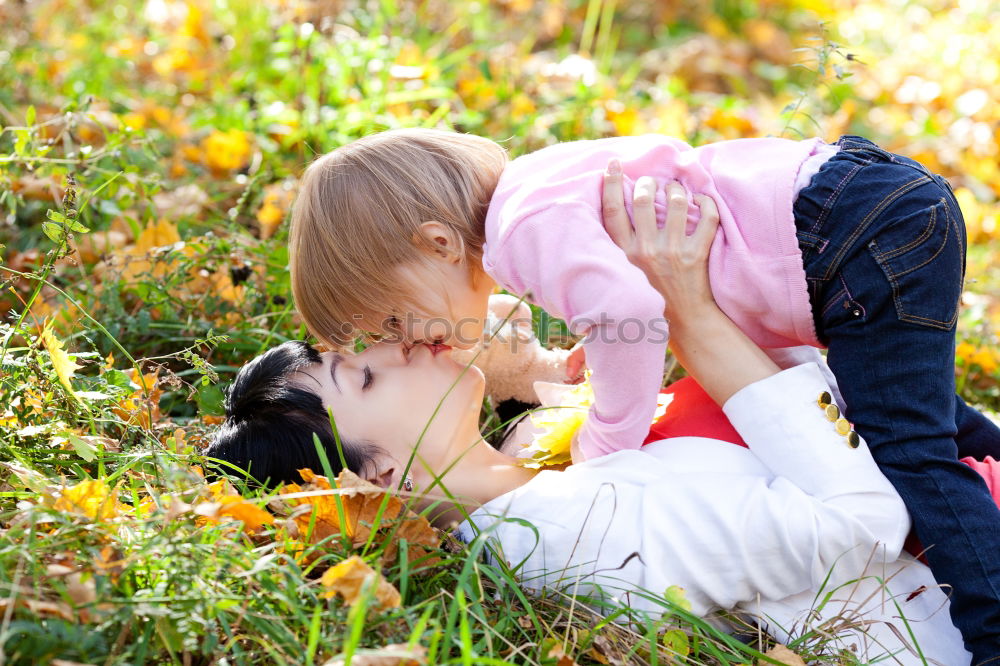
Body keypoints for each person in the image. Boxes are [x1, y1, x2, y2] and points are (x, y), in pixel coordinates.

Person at [288, 129, 1000, 659]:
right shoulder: (552, 526)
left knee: (918, 443)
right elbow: (858, 520)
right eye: (370, 365)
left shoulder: (522, 239)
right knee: (925, 437)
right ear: (375, 475)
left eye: (392, 323)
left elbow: (621, 324)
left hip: (843, 230)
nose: (410, 341)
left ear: (440, 241)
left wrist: (592, 408)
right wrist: (614, 362)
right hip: (856, 203)